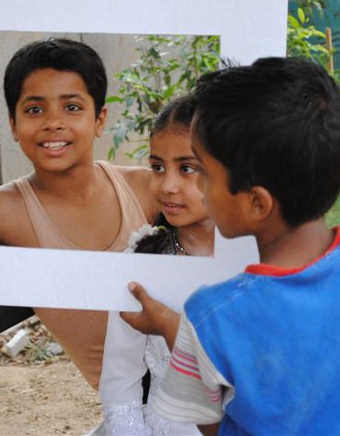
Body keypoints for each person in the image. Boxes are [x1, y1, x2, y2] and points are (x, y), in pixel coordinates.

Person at [122, 58, 340, 434]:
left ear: (257, 202)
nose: (200, 187)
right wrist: (331, 121)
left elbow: (213, 428)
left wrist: (169, 327)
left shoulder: (211, 317)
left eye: (204, 172)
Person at [0, 38, 158, 390]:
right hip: (136, 407)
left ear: (100, 119)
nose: (53, 122)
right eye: (35, 110)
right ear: (13, 125)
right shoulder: (0, 211)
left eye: (72, 107)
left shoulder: (145, 189)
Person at [98, 94, 208, 435]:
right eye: (158, 167)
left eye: (187, 168)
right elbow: (120, 385)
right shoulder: (142, 262)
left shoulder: (260, 259)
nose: (167, 185)